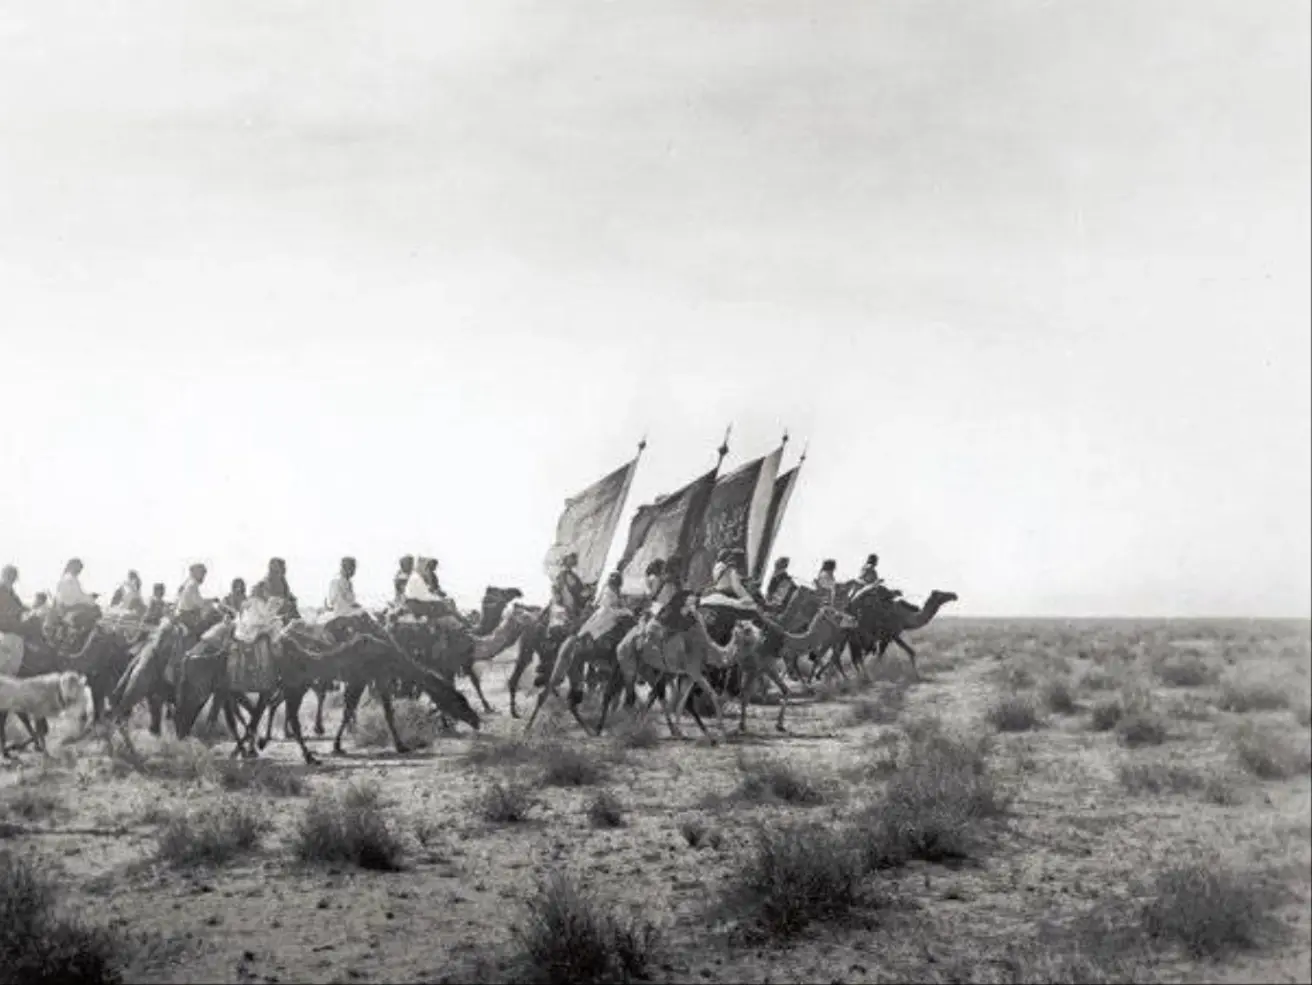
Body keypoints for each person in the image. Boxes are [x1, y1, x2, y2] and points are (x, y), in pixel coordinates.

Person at [54, 558, 100, 635]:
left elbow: (79, 595)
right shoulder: (69, 579)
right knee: (95, 612)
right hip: (69, 609)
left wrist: (89, 597)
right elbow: (72, 598)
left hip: (71, 607)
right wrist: (89, 599)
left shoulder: (71, 579)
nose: (79, 571)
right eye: (79, 568)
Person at [255, 557, 300, 621]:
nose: (284, 569)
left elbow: (288, 599)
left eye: (283, 567)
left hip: (282, 615)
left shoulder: (283, 584)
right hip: (266, 617)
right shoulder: (262, 585)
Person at [175, 563, 211, 634]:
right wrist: (210, 602)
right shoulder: (193, 585)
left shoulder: (187, 583)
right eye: (202, 573)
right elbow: (200, 603)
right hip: (187, 616)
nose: (203, 577)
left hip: (181, 613)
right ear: (196, 573)